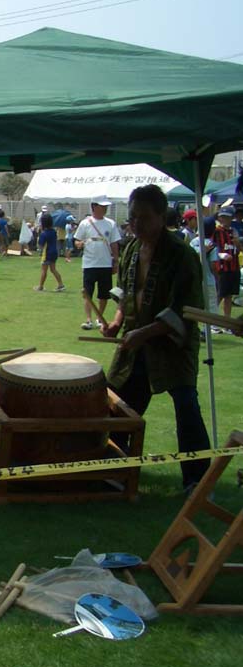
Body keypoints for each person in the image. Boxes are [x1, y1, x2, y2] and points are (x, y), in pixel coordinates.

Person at [102, 184, 211, 492]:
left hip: (173, 343)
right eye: (133, 217)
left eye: (145, 218)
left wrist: (144, 332)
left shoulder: (182, 255)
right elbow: (125, 295)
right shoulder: (131, 249)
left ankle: (198, 480)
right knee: (119, 404)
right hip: (136, 340)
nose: (136, 224)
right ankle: (115, 468)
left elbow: (184, 308)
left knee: (186, 406)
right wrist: (116, 322)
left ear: (163, 217)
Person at [74, 194, 121, 330]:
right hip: (89, 264)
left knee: (104, 295)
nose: (105, 209)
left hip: (105, 263)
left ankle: (100, 318)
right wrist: (79, 244)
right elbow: (77, 239)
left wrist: (116, 261)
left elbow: (114, 243)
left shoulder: (110, 224)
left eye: (106, 206)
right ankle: (88, 320)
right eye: (102, 206)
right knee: (88, 293)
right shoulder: (85, 223)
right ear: (94, 206)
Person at [211, 205, 240, 327]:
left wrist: (237, 243)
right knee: (220, 294)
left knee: (229, 296)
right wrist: (220, 255)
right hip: (222, 268)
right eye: (222, 217)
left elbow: (238, 251)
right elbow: (210, 246)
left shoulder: (234, 232)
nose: (223, 220)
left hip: (234, 267)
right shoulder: (216, 231)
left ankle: (226, 322)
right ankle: (213, 322)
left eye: (226, 217)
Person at [34, 213, 65, 292]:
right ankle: (61, 284)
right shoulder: (53, 232)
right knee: (53, 269)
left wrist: (39, 238)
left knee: (44, 270)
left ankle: (40, 286)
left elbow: (40, 246)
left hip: (47, 253)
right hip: (54, 252)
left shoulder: (44, 234)